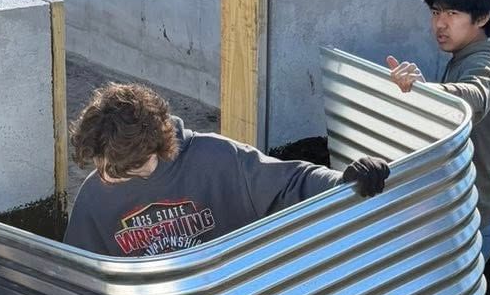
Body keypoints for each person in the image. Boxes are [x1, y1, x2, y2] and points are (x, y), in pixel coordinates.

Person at [64, 81, 390, 258]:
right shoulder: (95, 194)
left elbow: (292, 183)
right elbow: (77, 280)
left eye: (123, 169)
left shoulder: (217, 158)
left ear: (158, 147)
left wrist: (344, 181)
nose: (107, 176)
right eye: (101, 165)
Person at [386, 0, 490, 258]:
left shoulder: (485, 62)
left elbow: (474, 95)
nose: (440, 24)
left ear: (482, 17)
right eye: (436, 13)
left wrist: (424, 90)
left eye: (453, 14)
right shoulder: (466, 58)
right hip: (464, 220)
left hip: (465, 228)